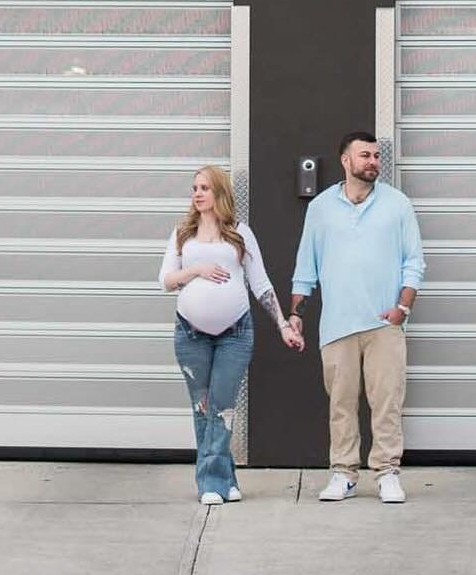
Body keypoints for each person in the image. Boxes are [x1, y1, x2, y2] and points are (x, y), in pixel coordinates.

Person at [287, 130, 425, 504]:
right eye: (365, 156)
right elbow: (305, 267)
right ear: (346, 161)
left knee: (387, 403)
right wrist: (296, 314)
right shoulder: (320, 209)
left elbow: (414, 263)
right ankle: (343, 474)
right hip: (337, 326)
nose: (373, 163)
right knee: (341, 404)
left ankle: (387, 473)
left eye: (377, 157)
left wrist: (403, 309)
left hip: (385, 325)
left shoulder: (398, 205)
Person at [159, 164, 302, 504]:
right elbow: (165, 280)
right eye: (194, 188)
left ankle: (212, 482)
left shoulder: (240, 233)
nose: (197, 194)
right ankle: (220, 481)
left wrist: (283, 324)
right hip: (190, 334)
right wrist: (196, 269)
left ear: (219, 193)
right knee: (202, 406)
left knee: (221, 406)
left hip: (235, 333)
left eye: (205, 188)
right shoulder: (183, 234)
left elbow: (261, 283)